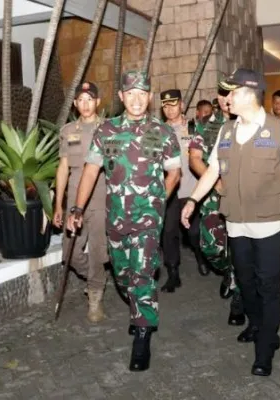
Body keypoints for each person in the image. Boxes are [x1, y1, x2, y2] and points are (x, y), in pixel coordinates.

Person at [181, 68, 280, 376]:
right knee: (246, 283)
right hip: (236, 223)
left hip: (270, 224)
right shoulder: (226, 131)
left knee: (268, 285)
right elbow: (212, 171)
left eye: (230, 93)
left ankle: (266, 347)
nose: (226, 99)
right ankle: (256, 323)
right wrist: (193, 200)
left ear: (248, 94)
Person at [67, 71, 181, 371]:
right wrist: (77, 208)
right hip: (115, 217)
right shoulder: (106, 130)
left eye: (142, 93)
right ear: (121, 97)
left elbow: (174, 173)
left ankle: (142, 334)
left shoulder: (163, 132)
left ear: (150, 97)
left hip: (148, 220)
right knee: (122, 274)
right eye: (131, 93)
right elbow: (91, 171)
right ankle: (137, 307)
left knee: (143, 273)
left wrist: (159, 203)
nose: (136, 99)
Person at [189, 84, 245, 326]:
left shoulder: (248, 124)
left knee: (242, 249)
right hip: (213, 195)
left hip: (243, 197)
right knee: (211, 247)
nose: (225, 99)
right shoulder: (205, 126)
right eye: (221, 94)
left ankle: (239, 302)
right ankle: (228, 270)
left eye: (229, 94)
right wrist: (216, 183)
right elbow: (194, 159)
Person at [53, 81, 108, 323]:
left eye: (90, 99)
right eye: (81, 100)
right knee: (70, 253)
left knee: (97, 250)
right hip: (74, 194)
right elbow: (63, 168)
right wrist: (58, 205)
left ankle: (95, 299)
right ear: (75, 104)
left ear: (97, 102)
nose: (85, 104)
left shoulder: (108, 129)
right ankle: (97, 279)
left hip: (101, 196)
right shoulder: (67, 131)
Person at [160, 89, 208, 292]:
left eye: (173, 104)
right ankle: (173, 273)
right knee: (169, 232)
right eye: (166, 106)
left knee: (195, 231)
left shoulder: (195, 127)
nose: (170, 109)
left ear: (181, 104)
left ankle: (200, 254)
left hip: (192, 189)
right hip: (170, 191)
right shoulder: (158, 131)